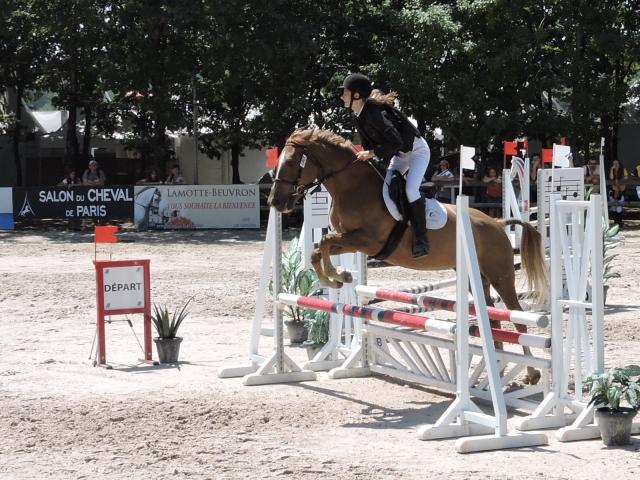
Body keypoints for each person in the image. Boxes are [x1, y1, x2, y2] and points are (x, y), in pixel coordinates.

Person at [339, 73, 430, 257]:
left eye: (345, 93)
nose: (342, 96)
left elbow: (395, 141)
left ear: (356, 95)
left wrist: (371, 153)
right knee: (386, 187)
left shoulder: (373, 113)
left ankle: (422, 239)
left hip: (417, 151)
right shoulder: (358, 115)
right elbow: (368, 145)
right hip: (400, 154)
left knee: (411, 190)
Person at [609, 159, 628, 228]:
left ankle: (619, 223)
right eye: (614, 164)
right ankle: (616, 223)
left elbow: (626, 178)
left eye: (617, 164)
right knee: (614, 207)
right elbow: (611, 178)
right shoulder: (612, 170)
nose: (615, 165)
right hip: (613, 191)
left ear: (619, 164)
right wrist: (612, 170)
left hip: (621, 190)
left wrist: (619, 181)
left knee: (619, 207)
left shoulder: (623, 170)